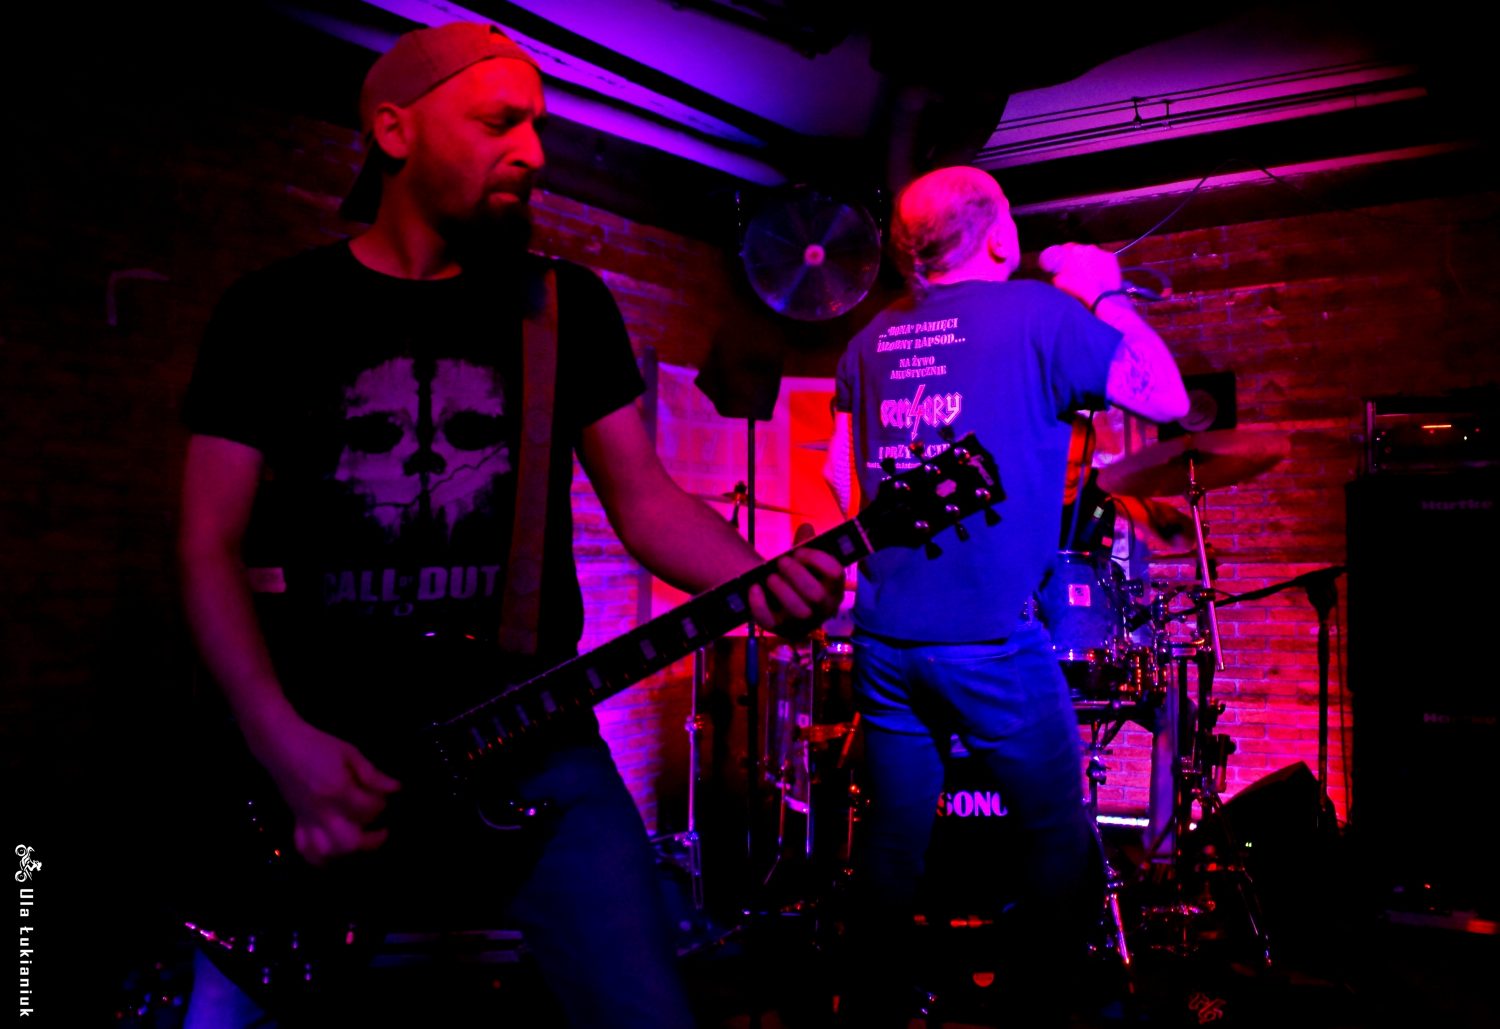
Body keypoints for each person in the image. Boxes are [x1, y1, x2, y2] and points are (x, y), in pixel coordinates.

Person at [174, 20, 842, 1027]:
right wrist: (280, 743)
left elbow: (647, 501)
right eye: (499, 123)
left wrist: (757, 576)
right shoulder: (272, 311)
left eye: (538, 126)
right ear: (394, 131)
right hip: (325, 749)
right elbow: (205, 545)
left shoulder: (564, 306)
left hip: (536, 742)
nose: (532, 152)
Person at [824, 165, 1187, 1025]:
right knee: (1057, 837)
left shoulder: (868, 340)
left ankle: (868, 1009)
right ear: (999, 238)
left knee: (890, 846)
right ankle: (1039, 1010)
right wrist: (1103, 291)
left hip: (884, 640)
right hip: (989, 638)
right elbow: (1167, 396)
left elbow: (839, 472)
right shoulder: (1039, 313)